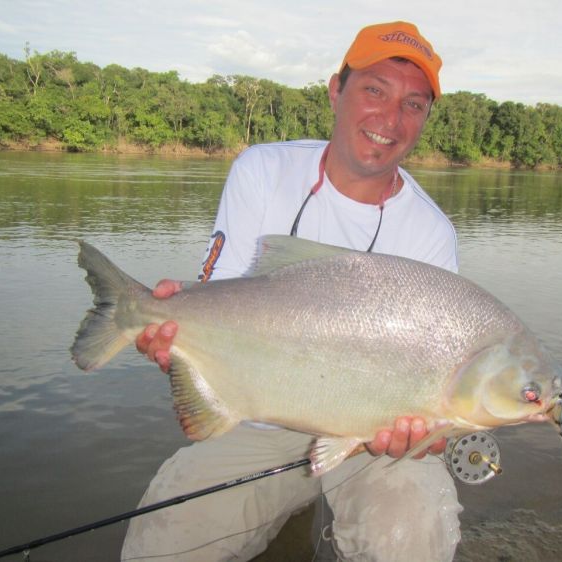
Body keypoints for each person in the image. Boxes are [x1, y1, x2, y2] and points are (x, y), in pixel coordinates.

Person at [122, 21, 462, 562]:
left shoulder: (430, 233)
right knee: (163, 541)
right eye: (374, 90)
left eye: (413, 104)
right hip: (257, 417)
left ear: (424, 119)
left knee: (413, 535)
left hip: (370, 439)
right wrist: (175, 334)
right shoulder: (263, 169)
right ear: (336, 90)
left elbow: (435, 384)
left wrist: (424, 431)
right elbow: (222, 304)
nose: (389, 119)